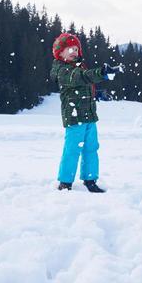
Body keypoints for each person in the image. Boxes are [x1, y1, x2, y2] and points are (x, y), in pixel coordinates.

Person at [49, 32, 117, 192]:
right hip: (74, 118)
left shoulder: (78, 67)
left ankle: (90, 179)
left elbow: (84, 83)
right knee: (72, 149)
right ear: (60, 52)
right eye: (68, 49)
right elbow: (80, 78)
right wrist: (101, 73)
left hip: (89, 116)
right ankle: (65, 182)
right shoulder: (62, 70)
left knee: (91, 148)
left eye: (75, 48)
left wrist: (97, 94)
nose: (73, 52)